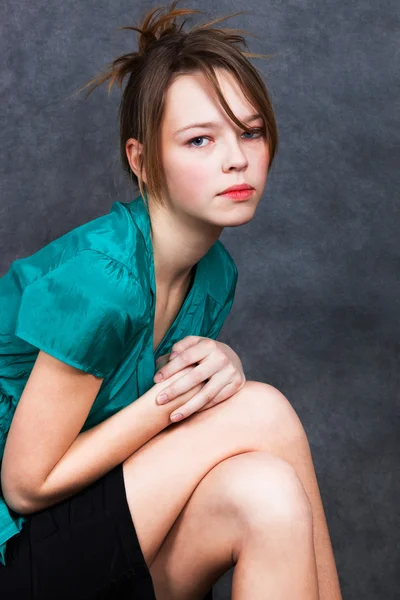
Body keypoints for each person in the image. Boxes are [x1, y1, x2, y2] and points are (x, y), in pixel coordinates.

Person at [0, 1, 343, 598]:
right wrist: (177, 398)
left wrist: (218, 372)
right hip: (21, 547)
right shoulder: (104, 279)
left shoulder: (213, 275)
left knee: (269, 496)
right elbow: (25, 486)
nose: (236, 157)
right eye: (200, 139)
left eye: (251, 131)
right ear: (142, 160)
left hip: (106, 518)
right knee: (262, 411)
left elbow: (156, 441)